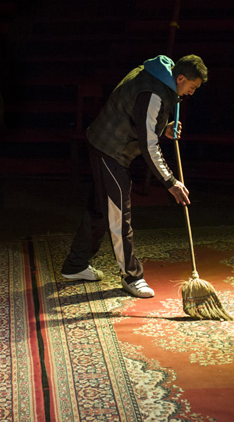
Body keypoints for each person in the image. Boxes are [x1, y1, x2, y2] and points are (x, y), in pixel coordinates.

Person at [60, 54, 207, 298]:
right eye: (191, 88)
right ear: (180, 78)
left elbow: (141, 119)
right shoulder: (154, 93)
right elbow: (149, 145)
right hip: (110, 150)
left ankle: (75, 265)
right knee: (119, 215)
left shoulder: (159, 75)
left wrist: (165, 128)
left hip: (103, 142)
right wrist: (170, 182)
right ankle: (132, 276)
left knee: (100, 209)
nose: (191, 93)